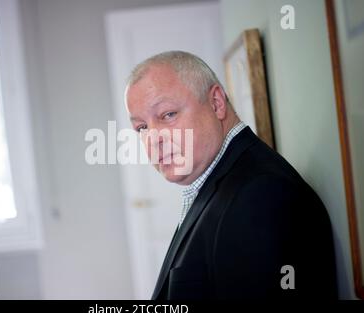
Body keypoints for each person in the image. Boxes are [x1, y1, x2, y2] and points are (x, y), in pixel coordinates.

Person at [124, 51, 337, 299]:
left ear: (216, 103)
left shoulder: (259, 195)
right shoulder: (216, 182)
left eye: (168, 115)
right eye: (142, 127)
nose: (153, 139)